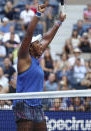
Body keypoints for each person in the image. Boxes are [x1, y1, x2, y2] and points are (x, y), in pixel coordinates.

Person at [13, 3, 66, 131]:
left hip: (37, 105)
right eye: (38, 43)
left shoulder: (36, 59)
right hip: (23, 104)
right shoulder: (23, 58)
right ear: (30, 46)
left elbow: (47, 38)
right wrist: (37, 14)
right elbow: (28, 35)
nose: (41, 45)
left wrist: (58, 22)